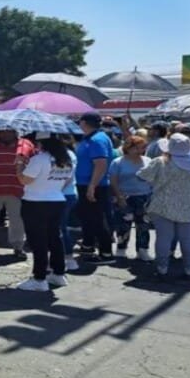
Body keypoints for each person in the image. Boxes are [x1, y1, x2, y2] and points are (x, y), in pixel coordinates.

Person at [137, 133, 190, 281]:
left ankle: (162, 269)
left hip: (162, 205)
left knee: (163, 237)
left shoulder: (160, 162)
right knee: (188, 239)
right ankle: (189, 270)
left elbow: (141, 175)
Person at [15, 133, 74, 291]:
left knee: (38, 241)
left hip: (35, 202)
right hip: (56, 200)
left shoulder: (39, 159)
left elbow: (24, 180)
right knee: (55, 238)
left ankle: (39, 278)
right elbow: (67, 180)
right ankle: (58, 273)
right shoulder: (66, 159)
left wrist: (20, 165)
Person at [0, 127, 33, 258]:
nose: (6, 133)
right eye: (2, 131)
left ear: (15, 132)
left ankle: (18, 247)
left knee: (17, 220)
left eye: (9, 131)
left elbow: (34, 163)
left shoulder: (26, 145)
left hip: (17, 190)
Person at [75, 112, 116, 264]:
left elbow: (101, 164)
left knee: (97, 219)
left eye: (80, 122)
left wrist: (92, 186)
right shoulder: (90, 138)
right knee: (87, 218)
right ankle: (88, 245)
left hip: (94, 185)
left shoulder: (97, 140)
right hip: (84, 184)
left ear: (85, 122)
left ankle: (106, 253)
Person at [109, 136, 154, 261]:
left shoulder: (148, 160)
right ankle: (121, 248)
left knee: (143, 224)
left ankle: (142, 249)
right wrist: (118, 196)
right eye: (137, 148)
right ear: (128, 148)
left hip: (144, 196)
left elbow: (152, 178)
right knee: (123, 224)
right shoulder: (118, 162)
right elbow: (113, 180)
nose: (140, 151)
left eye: (143, 148)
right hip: (124, 196)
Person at [60, 135, 79, 271]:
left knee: (61, 228)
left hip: (64, 194)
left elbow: (66, 177)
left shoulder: (65, 155)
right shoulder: (71, 153)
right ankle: (68, 258)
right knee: (62, 227)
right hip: (70, 193)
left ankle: (69, 258)